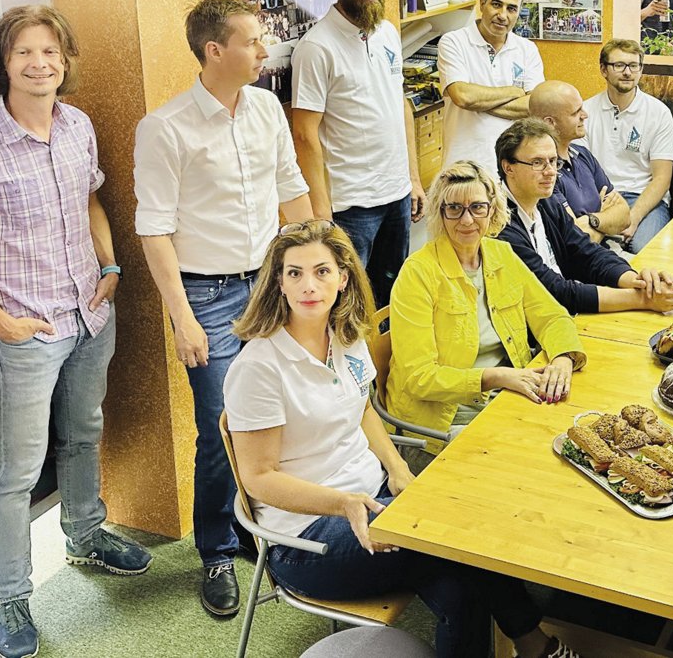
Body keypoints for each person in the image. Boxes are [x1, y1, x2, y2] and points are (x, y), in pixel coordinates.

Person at [225, 220, 583, 658]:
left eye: (321, 271)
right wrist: (344, 503)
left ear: (342, 277)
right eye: (294, 273)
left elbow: (361, 409)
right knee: (461, 541)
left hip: (371, 498)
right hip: (305, 539)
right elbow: (259, 478)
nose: (308, 285)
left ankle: (532, 645)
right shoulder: (259, 367)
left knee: (462, 589)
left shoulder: (346, 337)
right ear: (277, 283)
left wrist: (397, 470)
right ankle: (536, 645)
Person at [0, 5, 150, 658]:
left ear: (64, 60)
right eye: (25, 52)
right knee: (17, 471)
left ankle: (86, 534)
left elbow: (88, 200)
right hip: (24, 332)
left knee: (84, 434)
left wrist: (109, 263)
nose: (40, 63)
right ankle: (12, 599)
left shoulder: (77, 126)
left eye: (51, 51)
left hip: (89, 313)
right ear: (4, 63)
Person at [133, 0, 313, 616]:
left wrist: (322, 267)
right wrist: (181, 317)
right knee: (220, 425)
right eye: (254, 41)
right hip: (205, 294)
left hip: (271, 282)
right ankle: (216, 547)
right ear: (216, 51)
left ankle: (264, 523)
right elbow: (153, 229)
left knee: (278, 408)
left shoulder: (265, 108)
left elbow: (291, 189)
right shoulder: (165, 128)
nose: (265, 51)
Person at [387, 162, 585, 473]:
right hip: (440, 426)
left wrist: (563, 357)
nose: (467, 220)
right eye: (454, 208)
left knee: (577, 438)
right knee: (534, 464)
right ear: (440, 213)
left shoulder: (502, 254)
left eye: (477, 207)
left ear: (492, 210)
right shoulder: (418, 273)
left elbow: (552, 316)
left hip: (506, 398)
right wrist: (495, 377)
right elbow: (418, 378)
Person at [291, 0, 426, 307]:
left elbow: (399, 104)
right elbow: (304, 135)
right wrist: (321, 214)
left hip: (396, 194)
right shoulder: (317, 48)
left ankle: (385, 368)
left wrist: (412, 177)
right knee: (347, 306)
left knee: (391, 301)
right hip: (352, 206)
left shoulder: (386, 32)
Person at [494, 120, 673, 316]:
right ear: (508, 168)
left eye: (553, 161)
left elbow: (585, 252)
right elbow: (553, 292)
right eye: (537, 163)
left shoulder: (545, 202)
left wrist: (639, 282)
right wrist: (643, 299)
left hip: (563, 315)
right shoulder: (500, 224)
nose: (550, 172)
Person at [438, 0, 545, 174]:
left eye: (511, 9)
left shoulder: (527, 49)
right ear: (482, 4)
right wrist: (515, 91)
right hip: (463, 166)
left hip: (512, 167)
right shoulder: (453, 42)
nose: (502, 15)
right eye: (496, 4)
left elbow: (534, 106)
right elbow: (463, 96)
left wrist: (480, 101)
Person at [580, 39, 673, 252]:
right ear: (604, 69)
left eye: (634, 65)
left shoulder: (658, 113)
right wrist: (605, 216)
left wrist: (632, 218)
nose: (627, 72)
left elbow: (662, 178)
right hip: (599, 198)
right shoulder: (585, 111)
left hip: (644, 200)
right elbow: (582, 173)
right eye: (619, 65)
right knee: (585, 249)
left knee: (643, 250)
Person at [527, 80, 629, 243]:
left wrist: (592, 220)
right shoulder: (544, 173)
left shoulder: (583, 155)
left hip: (607, 252)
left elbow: (624, 216)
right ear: (549, 123)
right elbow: (575, 240)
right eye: (576, 113)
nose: (585, 115)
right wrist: (605, 218)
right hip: (580, 264)